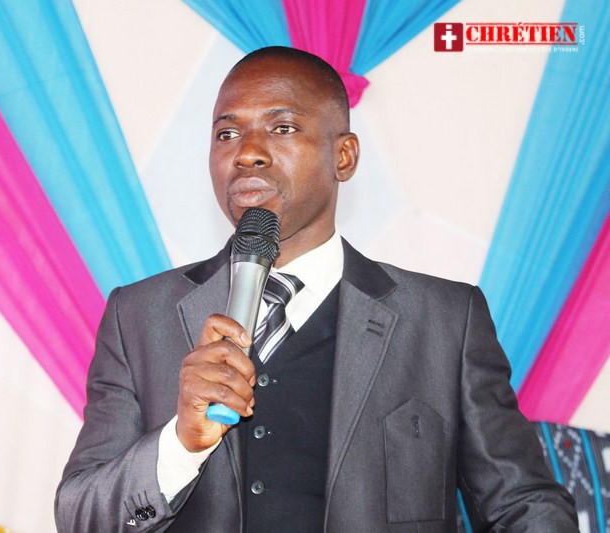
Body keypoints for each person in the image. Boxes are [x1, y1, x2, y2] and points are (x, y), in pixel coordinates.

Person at [55, 46, 577, 532]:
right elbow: (80, 515)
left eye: (282, 127)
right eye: (227, 133)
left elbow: (523, 505)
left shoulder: (445, 320)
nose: (248, 153)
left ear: (343, 157)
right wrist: (180, 445)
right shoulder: (138, 316)